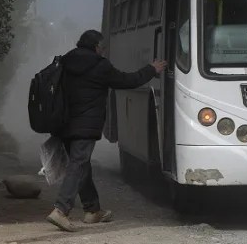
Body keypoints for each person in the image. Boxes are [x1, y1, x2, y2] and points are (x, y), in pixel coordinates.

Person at [46, 30, 166, 232]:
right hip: (85, 124)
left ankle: (92, 210)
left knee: (81, 165)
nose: (104, 52)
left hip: (64, 123)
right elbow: (127, 81)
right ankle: (61, 210)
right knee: (78, 164)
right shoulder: (99, 65)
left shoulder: (64, 61)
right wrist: (151, 69)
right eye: (103, 48)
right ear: (96, 47)